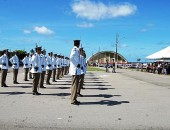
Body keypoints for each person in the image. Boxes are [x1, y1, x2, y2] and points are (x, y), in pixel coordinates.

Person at [69, 40, 81, 105]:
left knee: (76, 85)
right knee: (74, 85)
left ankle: (74, 99)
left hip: (76, 70)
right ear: (78, 44)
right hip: (75, 70)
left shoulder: (76, 49)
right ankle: (73, 100)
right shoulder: (75, 49)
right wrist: (76, 64)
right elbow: (71, 57)